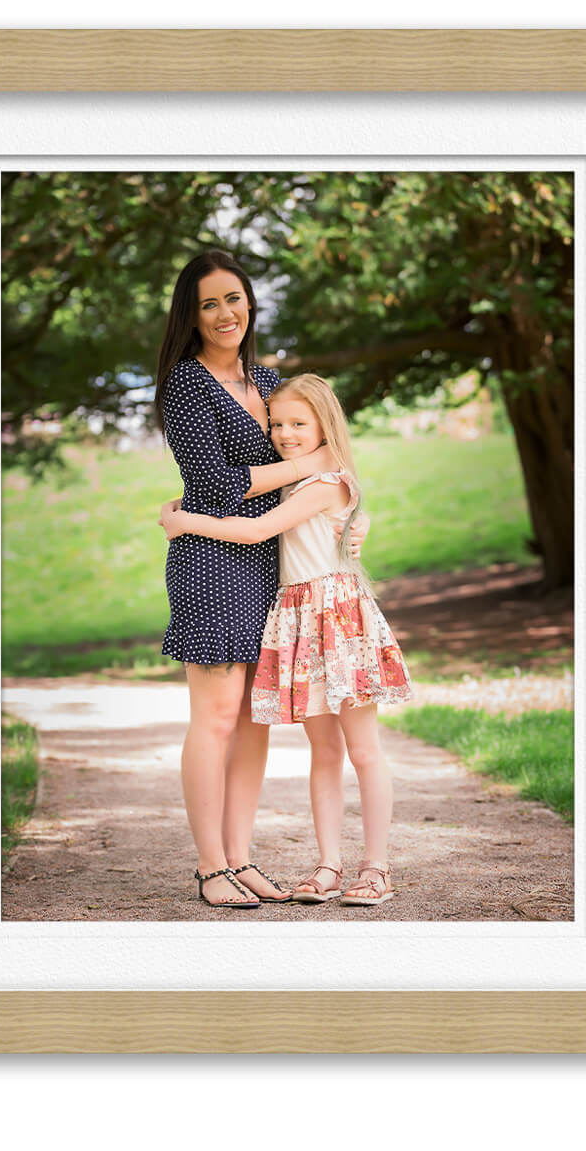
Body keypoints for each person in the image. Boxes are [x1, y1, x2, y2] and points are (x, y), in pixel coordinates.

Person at [154, 250, 363, 909]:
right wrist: (315, 464)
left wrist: (344, 499)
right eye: (209, 303)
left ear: (251, 302)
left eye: (234, 298)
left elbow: (313, 455)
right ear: (192, 315)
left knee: (253, 721)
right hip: (212, 560)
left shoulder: (269, 380)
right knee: (215, 718)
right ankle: (210, 865)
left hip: (270, 561)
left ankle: (241, 859)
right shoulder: (187, 385)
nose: (225, 314)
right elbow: (215, 487)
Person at [161, 373, 413, 907]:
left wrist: (185, 521)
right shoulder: (300, 481)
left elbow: (255, 531)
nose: (285, 434)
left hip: (338, 622)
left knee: (363, 750)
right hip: (302, 619)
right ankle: (328, 865)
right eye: (276, 424)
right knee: (323, 749)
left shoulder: (323, 483)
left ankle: (377, 868)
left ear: (326, 424)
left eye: (300, 424)